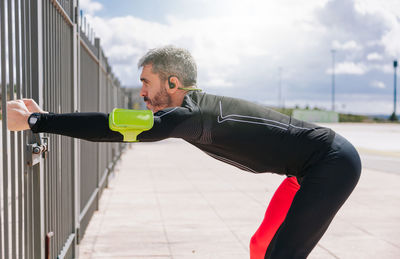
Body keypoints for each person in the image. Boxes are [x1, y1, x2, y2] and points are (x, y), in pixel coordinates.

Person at [7, 45, 361, 258]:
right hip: (306, 169)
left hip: (331, 164)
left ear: (172, 83)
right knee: (261, 245)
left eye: (147, 82)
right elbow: (119, 122)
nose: (142, 92)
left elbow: (114, 127)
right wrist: (43, 118)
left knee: (284, 254)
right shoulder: (192, 109)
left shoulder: (192, 114)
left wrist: (39, 120)